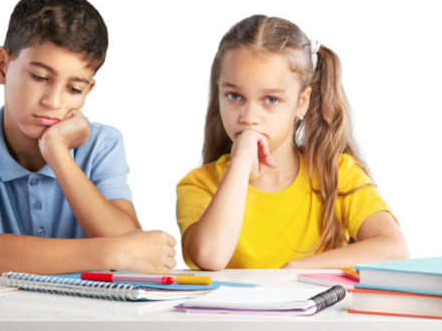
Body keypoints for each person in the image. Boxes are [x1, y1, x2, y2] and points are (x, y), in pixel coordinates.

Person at [0, 0, 178, 275]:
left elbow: (131, 238)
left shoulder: (103, 143)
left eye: (73, 88)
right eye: (39, 77)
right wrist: (113, 252)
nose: (53, 101)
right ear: (1, 66)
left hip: (83, 316)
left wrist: (57, 153)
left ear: (88, 91)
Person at [173, 14, 411, 270]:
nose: (249, 117)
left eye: (271, 99)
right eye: (234, 96)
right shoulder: (197, 185)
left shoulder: (337, 174)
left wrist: (296, 270)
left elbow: (395, 248)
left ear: (301, 103)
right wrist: (241, 163)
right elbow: (210, 256)